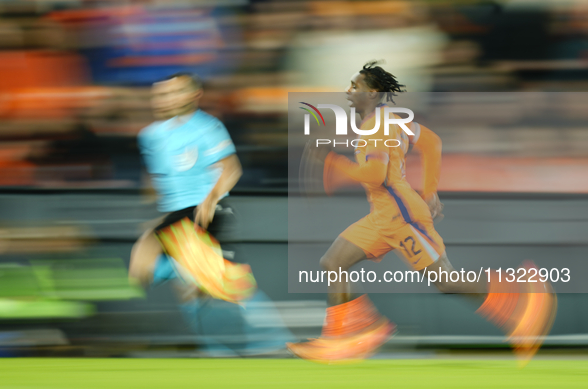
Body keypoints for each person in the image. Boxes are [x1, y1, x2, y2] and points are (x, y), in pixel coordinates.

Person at [287, 61, 557, 365]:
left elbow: (375, 175)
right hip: (384, 215)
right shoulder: (390, 120)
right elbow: (431, 142)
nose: (348, 91)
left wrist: (332, 162)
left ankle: (524, 294)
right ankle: (345, 335)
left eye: (355, 86)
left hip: (401, 217)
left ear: (372, 92)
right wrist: (430, 191)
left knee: (446, 281)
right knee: (334, 261)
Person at [130, 72, 292, 356]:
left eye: (174, 92)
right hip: (177, 214)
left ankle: (273, 340)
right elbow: (158, 181)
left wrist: (210, 199)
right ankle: (220, 348)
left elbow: (232, 169)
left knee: (144, 261)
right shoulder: (150, 135)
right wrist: (158, 212)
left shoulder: (206, 127)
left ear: (194, 95)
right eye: (161, 94)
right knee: (200, 287)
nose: (165, 99)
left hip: (206, 211)